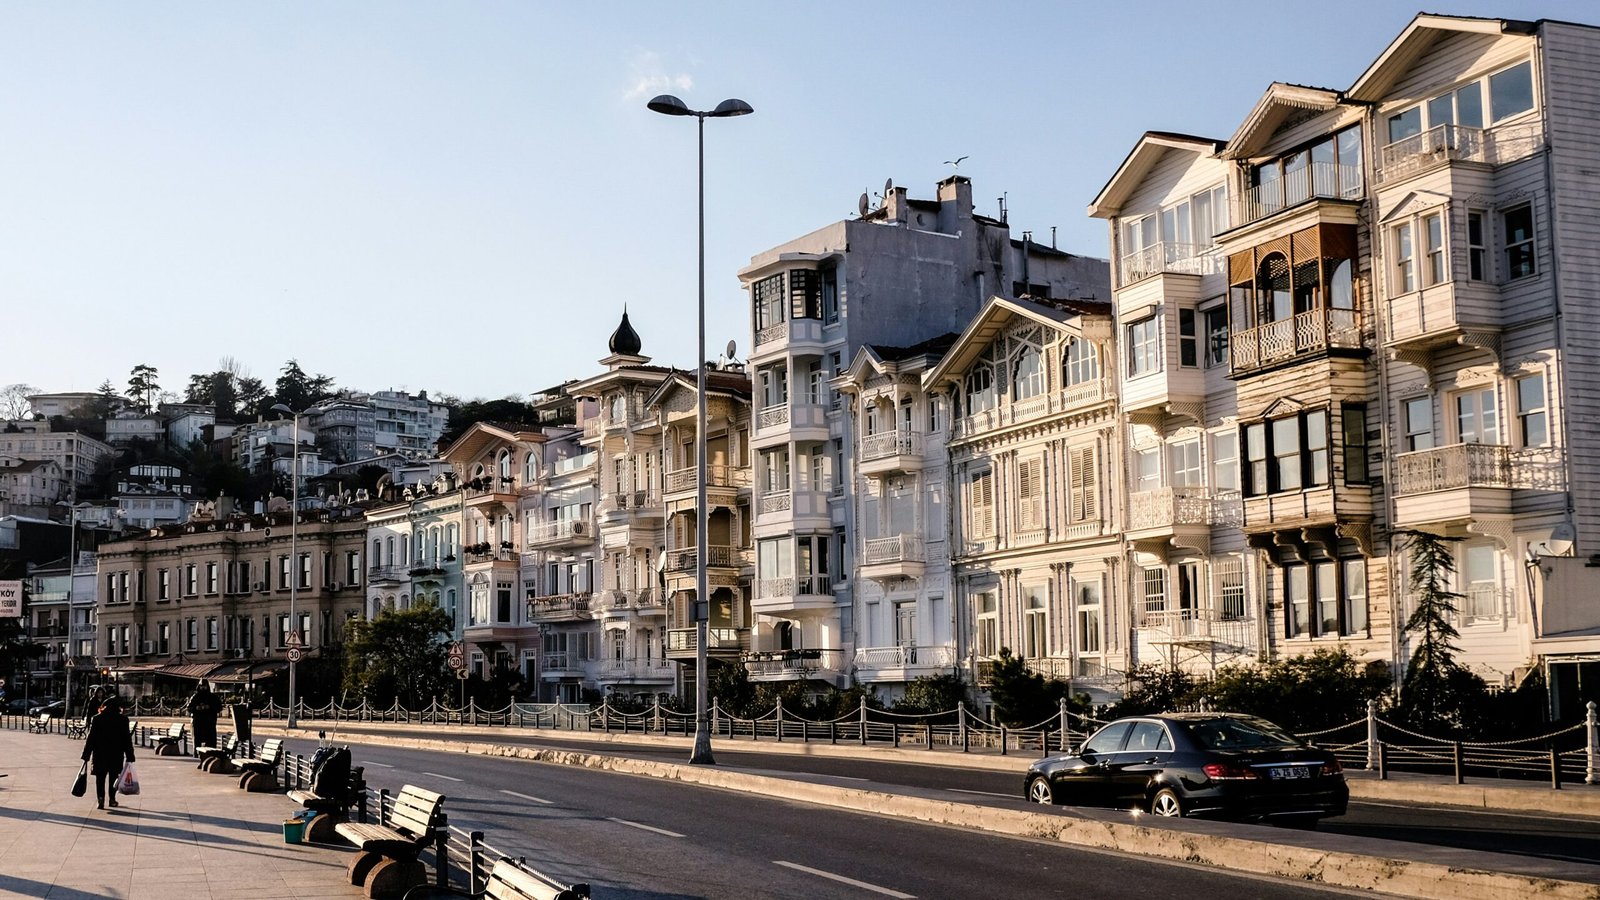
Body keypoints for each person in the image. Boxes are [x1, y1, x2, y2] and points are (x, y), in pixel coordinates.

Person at [81, 695, 135, 810]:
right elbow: (127, 739)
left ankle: (100, 799)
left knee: (100, 778)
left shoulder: (97, 719)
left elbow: (91, 739)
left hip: (100, 754)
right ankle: (112, 799)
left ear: (104, 707)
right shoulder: (123, 720)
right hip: (116, 754)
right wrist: (130, 755)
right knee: (113, 777)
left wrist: (86, 755)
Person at [187, 681, 222, 750]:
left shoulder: (213, 697)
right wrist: (196, 708)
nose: (203, 688)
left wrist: (209, 707)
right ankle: (196, 754)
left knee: (211, 742)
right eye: (201, 686)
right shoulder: (195, 697)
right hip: (198, 723)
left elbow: (219, 707)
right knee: (197, 740)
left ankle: (211, 754)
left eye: (204, 686)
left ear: (207, 686)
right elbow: (189, 708)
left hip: (209, 723)